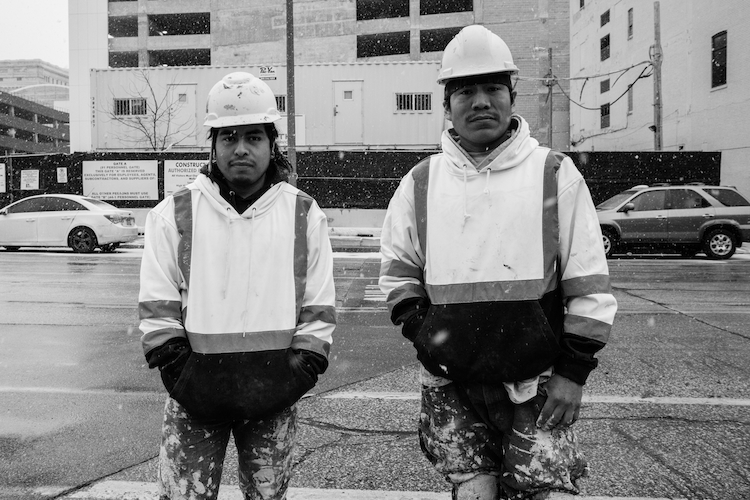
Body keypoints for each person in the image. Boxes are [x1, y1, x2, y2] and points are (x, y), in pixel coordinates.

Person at [379, 25, 617, 500]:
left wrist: (573, 373)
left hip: (540, 384)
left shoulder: (554, 175)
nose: (481, 101)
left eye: (493, 88)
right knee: (472, 491)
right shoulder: (422, 181)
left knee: (533, 493)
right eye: (466, 90)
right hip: (451, 383)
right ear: (447, 105)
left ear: (512, 95)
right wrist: (425, 334)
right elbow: (398, 272)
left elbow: (588, 289)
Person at [138, 71, 336, 500]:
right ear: (213, 144)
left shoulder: (303, 214)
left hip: (273, 399)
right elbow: (158, 309)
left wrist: (294, 377)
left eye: (253, 136)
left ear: (272, 144)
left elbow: (318, 310)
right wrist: (185, 377)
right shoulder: (174, 214)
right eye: (228, 136)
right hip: (194, 401)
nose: (241, 148)